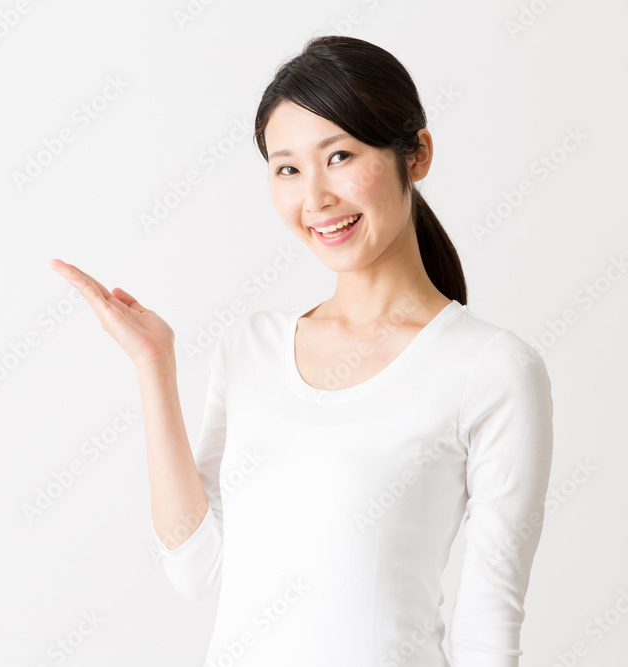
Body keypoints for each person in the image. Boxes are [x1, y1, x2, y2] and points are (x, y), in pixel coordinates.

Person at [50, 35, 553, 666]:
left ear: (417, 154)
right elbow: (198, 572)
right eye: (287, 168)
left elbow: (489, 631)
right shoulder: (252, 349)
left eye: (340, 155)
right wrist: (154, 366)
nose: (314, 198)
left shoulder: (492, 369)